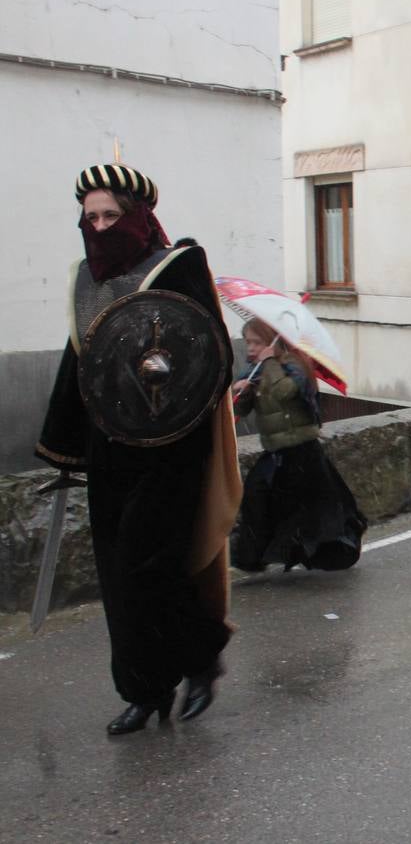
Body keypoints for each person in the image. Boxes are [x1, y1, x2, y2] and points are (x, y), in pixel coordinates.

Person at [36, 164, 240, 734]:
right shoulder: (85, 277)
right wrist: (62, 443)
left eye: (111, 216)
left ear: (139, 217)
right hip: (110, 448)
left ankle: (199, 660)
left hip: (173, 445)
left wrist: (161, 382)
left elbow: (210, 352)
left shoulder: (178, 265)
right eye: (91, 217)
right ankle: (144, 689)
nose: (100, 228)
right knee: (117, 576)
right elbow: (82, 359)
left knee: (151, 564)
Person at [229, 319, 366, 573]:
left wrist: (269, 362)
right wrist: (244, 392)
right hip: (276, 452)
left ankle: (331, 551)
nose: (250, 348)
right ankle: (252, 557)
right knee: (257, 497)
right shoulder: (255, 371)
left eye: (256, 342)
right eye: (247, 342)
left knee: (314, 508)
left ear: (272, 341)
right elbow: (242, 409)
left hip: (303, 452)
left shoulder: (295, 366)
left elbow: (284, 392)